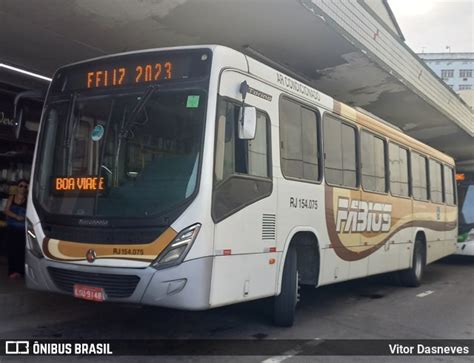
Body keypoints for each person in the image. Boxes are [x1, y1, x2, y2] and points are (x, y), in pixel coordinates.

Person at [4, 179, 28, 278]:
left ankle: (20, 271)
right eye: (21, 186)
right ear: (17, 187)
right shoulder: (12, 198)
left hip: (22, 229)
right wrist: (16, 216)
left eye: (25, 186)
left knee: (21, 250)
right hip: (12, 228)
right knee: (12, 249)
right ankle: (12, 271)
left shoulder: (27, 200)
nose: (22, 188)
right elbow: (6, 210)